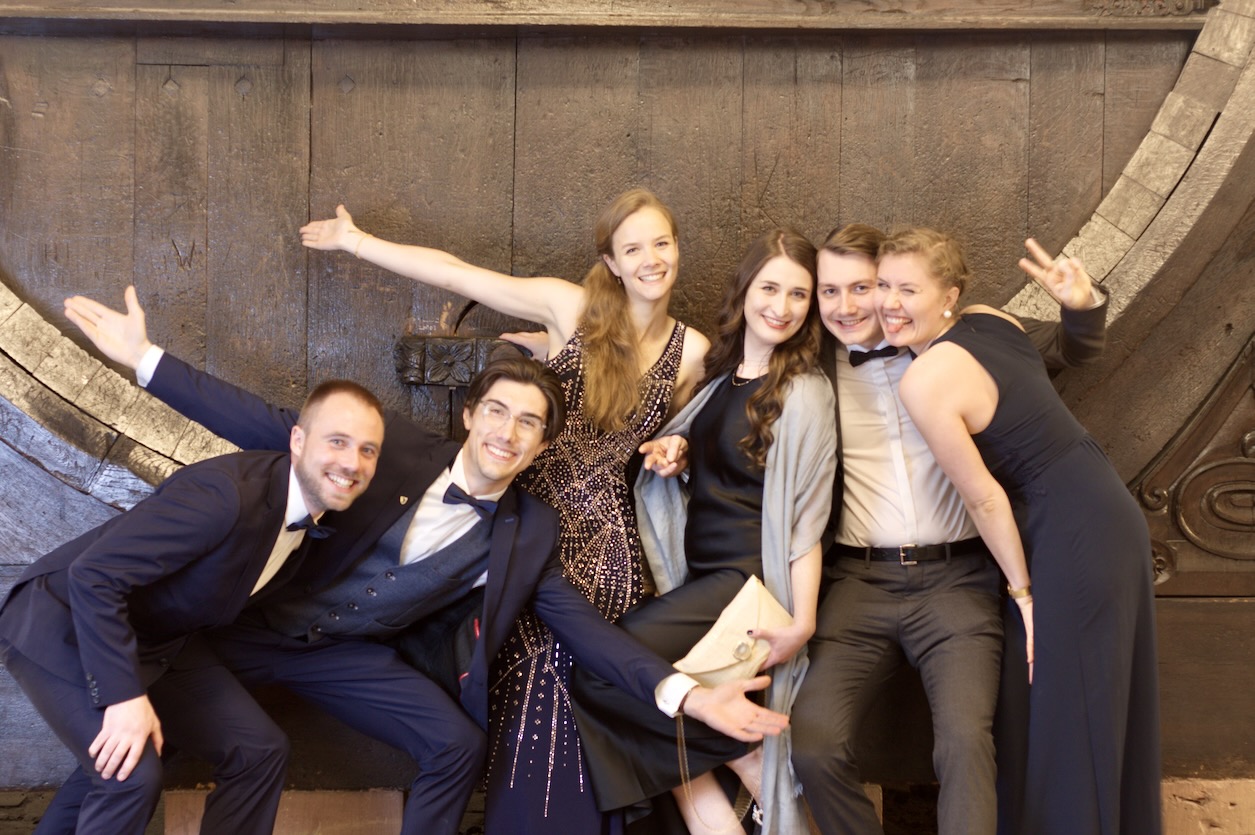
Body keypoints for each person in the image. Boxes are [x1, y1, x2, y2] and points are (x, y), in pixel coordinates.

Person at [61, 287, 784, 835]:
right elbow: (266, 422)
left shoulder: (529, 529)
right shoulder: (392, 450)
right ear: (469, 416)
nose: (507, 433)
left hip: (345, 653)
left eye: (529, 423)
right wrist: (145, 361)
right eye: (496, 412)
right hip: (246, 626)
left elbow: (585, 631)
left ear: (542, 445)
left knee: (455, 743)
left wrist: (689, 695)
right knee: (140, 734)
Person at [298, 189, 709, 831]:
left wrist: (675, 451)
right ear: (611, 261)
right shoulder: (570, 308)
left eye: (661, 243)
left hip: (608, 543)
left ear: (677, 247)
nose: (650, 259)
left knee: (586, 687)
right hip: (525, 523)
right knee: (523, 681)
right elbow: (458, 275)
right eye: (633, 248)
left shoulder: (693, 351)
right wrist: (357, 242)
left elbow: (674, 441)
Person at [790, 224, 1112, 835]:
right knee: (812, 744)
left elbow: (1072, 351)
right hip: (858, 584)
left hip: (957, 580)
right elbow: (735, 402)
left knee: (965, 743)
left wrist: (1082, 307)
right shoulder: (809, 370)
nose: (848, 306)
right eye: (829, 291)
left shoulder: (961, 344)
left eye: (864, 287)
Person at [0, 377, 387, 835]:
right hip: (62, 619)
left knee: (257, 752)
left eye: (367, 450)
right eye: (337, 441)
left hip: (159, 639)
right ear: (298, 441)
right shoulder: (222, 495)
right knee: (130, 777)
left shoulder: (308, 515)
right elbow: (94, 577)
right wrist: (124, 697)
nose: (352, 462)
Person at [879, 227, 1161, 835]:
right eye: (883, 285)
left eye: (908, 289)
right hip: (1090, 505)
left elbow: (983, 498)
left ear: (949, 297)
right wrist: (1081, 311)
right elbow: (1072, 354)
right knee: (1054, 701)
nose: (889, 303)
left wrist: (1024, 595)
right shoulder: (990, 320)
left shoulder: (925, 379)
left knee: (1071, 706)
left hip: (1072, 528)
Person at [571, 228, 837, 835]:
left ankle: (748, 756)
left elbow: (806, 517)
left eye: (799, 294)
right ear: (745, 290)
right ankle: (732, 795)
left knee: (609, 669)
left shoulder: (805, 391)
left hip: (748, 583)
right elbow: (719, 466)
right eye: (770, 288)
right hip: (707, 578)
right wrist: (677, 454)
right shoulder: (722, 379)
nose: (782, 306)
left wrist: (803, 620)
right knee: (646, 688)